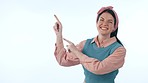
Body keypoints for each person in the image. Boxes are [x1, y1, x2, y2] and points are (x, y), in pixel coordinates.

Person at [53, 6, 126, 83]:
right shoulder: (85, 44)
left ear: (115, 27)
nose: (105, 24)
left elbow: (98, 68)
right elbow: (62, 60)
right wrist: (59, 35)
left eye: (110, 21)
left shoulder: (119, 50)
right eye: (101, 20)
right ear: (96, 23)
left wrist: (77, 52)